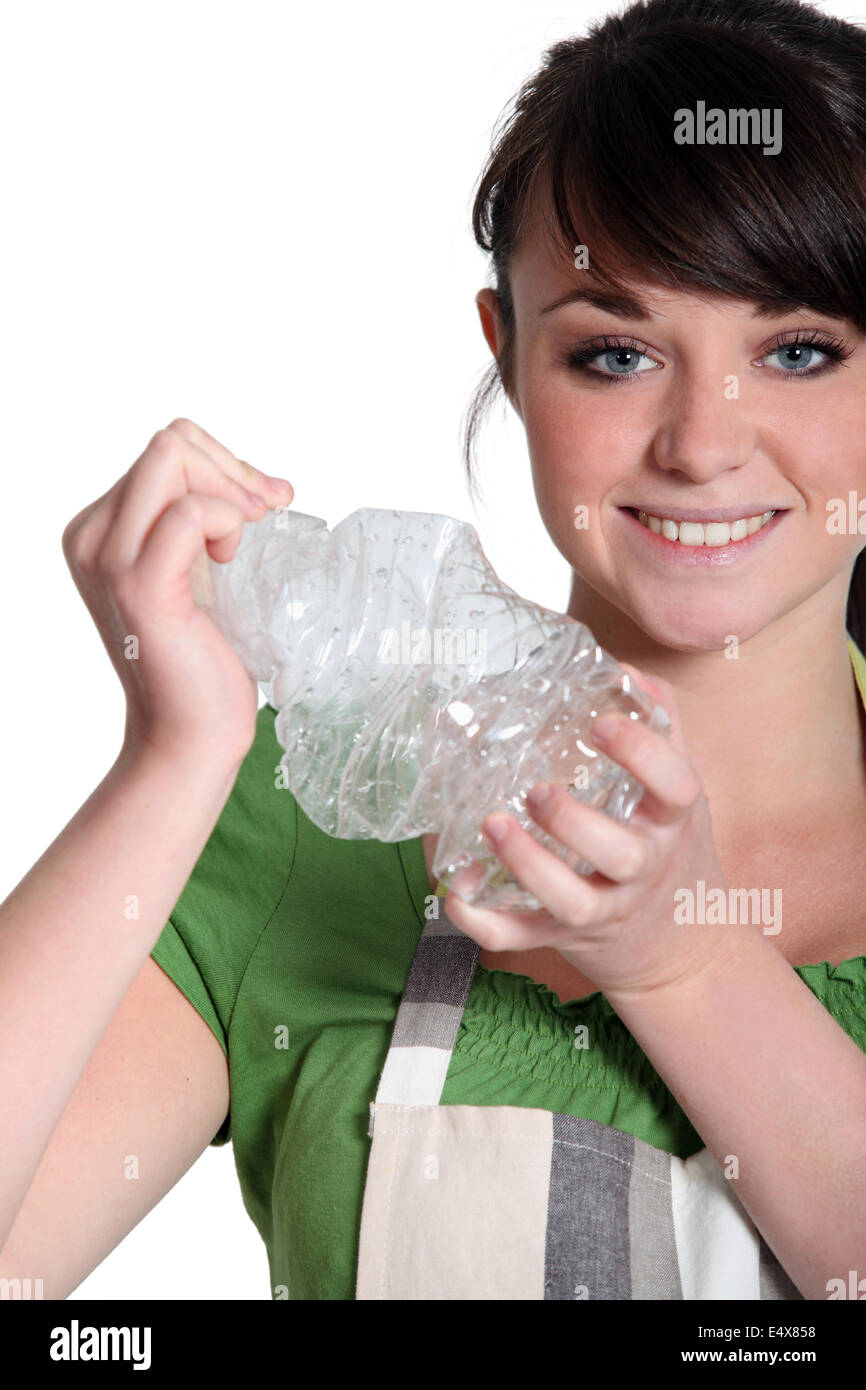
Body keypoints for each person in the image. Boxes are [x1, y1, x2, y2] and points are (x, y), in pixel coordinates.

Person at [2, 0, 866, 1302]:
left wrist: (681, 959)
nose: (700, 442)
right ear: (507, 355)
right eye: (615, 351)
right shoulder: (295, 824)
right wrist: (175, 756)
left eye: (796, 350)